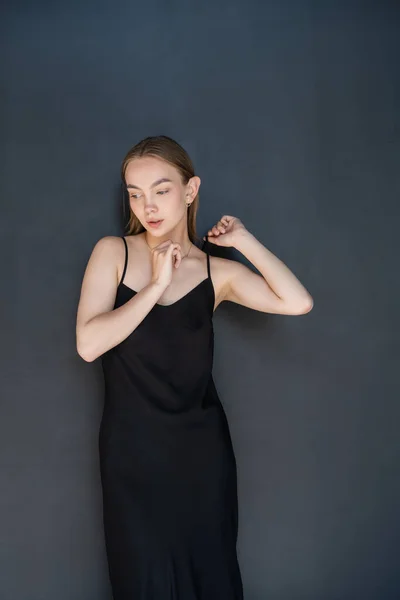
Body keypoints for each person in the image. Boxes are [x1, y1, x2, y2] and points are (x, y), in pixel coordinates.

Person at [75, 135, 313, 599]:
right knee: (141, 580)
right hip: (132, 455)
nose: (148, 206)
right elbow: (89, 344)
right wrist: (155, 286)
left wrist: (243, 240)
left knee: (211, 577)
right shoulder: (113, 252)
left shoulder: (213, 271)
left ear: (190, 189)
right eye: (135, 193)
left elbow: (298, 302)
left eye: (161, 190)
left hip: (201, 454)